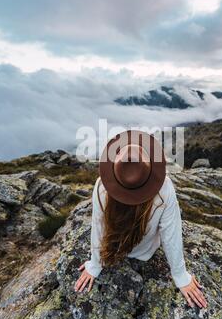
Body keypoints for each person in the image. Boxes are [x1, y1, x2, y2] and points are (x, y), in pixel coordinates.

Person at [75, 130, 207, 309]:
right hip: (146, 252)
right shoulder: (164, 188)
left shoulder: (101, 186)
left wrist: (96, 264)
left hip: (114, 251)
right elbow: (171, 234)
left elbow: (98, 226)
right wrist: (180, 275)